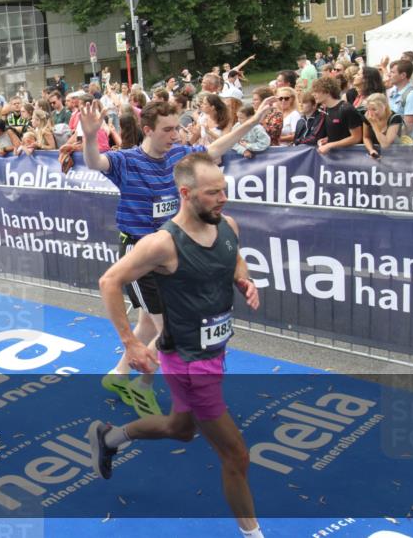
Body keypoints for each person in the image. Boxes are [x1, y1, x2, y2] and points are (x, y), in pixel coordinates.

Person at [90, 152, 264, 538]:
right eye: (213, 193)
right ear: (186, 194)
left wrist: (244, 279)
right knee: (236, 455)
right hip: (186, 362)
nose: (223, 199)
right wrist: (132, 343)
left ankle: (110, 436)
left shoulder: (227, 224)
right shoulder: (163, 244)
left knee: (181, 428)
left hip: (214, 353)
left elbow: (234, 258)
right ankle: (253, 534)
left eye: (224, 190)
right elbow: (109, 282)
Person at [79, 97, 276, 418]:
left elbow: (214, 151)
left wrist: (252, 123)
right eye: (167, 129)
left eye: (177, 128)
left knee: (147, 323)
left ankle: (117, 376)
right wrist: (90, 137)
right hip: (142, 257)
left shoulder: (180, 157)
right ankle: (143, 388)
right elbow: (94, 162)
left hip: (172, 252)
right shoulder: (127, 161)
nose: (175, 135)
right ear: (147, 130)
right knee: (173, 330)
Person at [313, 77, 363, 155]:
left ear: (327, 91)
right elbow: (341, 133)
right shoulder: (326, 109)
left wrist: (330, 145)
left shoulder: (347, 109)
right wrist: (327, 139)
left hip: (350, 157)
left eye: (317, 91)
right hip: (335, 158)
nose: (314, 94)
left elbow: (356, 137)